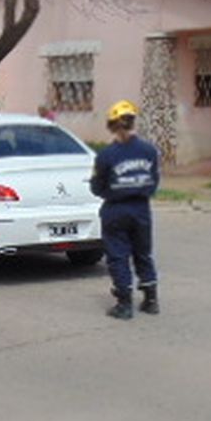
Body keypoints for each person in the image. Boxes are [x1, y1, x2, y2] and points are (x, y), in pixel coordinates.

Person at [90, 100, 160, 321]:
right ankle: (151, 299)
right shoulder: (149, 151)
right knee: (143, 253)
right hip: (141, 208)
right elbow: (154, 180)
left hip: (116, 209)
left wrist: (111, 192)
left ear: (111, 125)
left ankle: (124, 303)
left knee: (118, 256)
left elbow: (96, 185)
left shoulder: (106, 156)